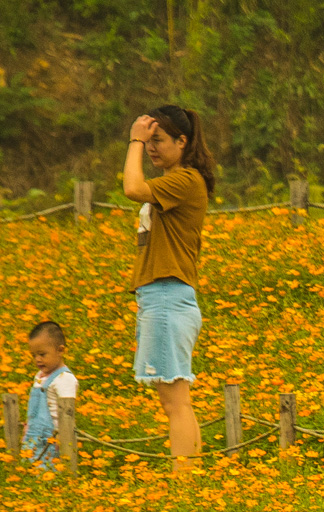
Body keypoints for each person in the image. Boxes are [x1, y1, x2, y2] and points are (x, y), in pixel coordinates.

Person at [123, 104, 215, 471]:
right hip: (164, 298)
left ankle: (183, 482)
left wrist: (133, 139)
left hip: (166, 296)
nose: (151, 148)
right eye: (148, 142)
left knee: (173, 402)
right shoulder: (177, 182)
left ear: (183, 141)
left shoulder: (185, 180)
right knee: (179, 400)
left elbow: (132, 187)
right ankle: (189, 477)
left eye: (157, 140)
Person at [21, 320, 78, 470]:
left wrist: (62, 437)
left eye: (42, 354)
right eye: (34, 355)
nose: (38, 359)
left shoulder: (64, 379)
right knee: (31, 471)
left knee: (50, 472)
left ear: (60, 350)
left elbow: (67, 413)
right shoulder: (40, 376)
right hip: (34, 434)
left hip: (53, 437)